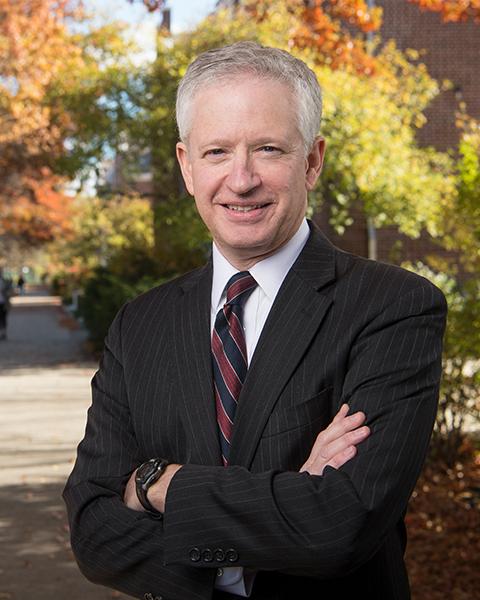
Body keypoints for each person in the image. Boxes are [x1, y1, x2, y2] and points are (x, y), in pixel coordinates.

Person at [63, 42, 447, 600]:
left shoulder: (392, 307)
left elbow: (341, 524)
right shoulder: (139, 324)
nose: (241, 180)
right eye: (217, 152)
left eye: (268, 149)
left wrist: (155, 486)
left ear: (312, 161)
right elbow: (93, 532)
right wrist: (288, 498)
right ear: (186, 166)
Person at [0, 269, 13, 341]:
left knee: (3, 318)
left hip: (3, 303)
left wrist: (7, 293)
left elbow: (10, 291)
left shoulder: (5, 282)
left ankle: (3, 333)